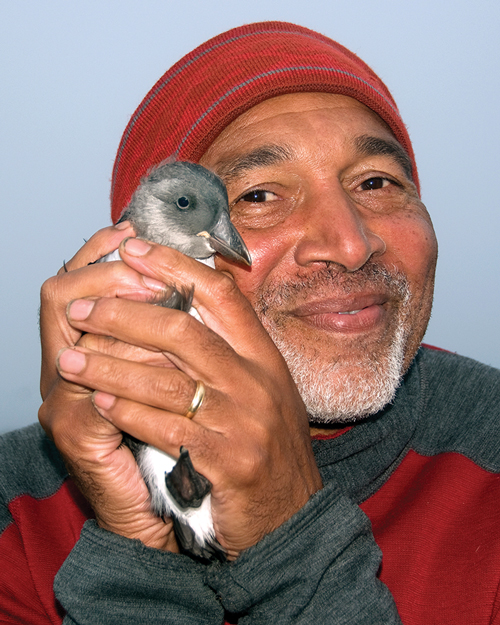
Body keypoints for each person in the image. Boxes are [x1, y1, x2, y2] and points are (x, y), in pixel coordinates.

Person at [1, 20, 499, 624]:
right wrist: (140, 545)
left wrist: (289, 536)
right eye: (260, 195)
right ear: (138, 259)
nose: (347, 243)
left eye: (375, 182)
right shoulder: (15, 517)